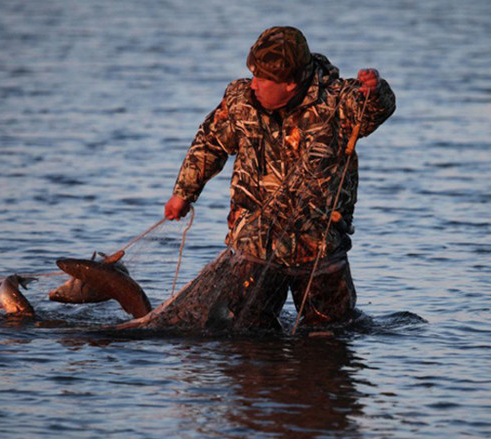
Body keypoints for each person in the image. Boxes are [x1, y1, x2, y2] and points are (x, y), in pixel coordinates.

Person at [162, 26, 395, 331]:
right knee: (246, 336)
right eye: (252, 73)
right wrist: (183, 193)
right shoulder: (239, 100)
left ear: (289, 83)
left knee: (330, 336)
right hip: (254, 247)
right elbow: (209, 143)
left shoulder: (339, 102)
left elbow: (378, 109)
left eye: (261, 79)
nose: (253, 85)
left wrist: (376, 92)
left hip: (319, 248)